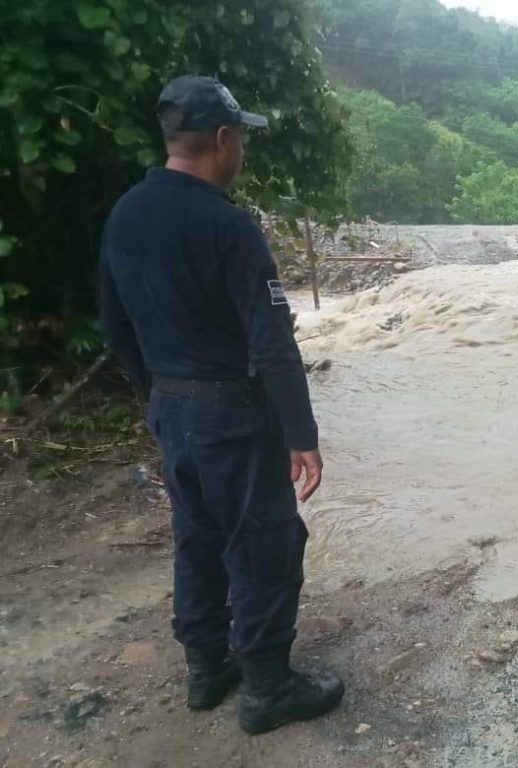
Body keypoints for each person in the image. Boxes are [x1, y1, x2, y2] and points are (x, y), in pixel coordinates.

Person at [99, 75, 344, 735]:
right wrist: (302, 434)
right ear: (224, 139)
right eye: (242, 142)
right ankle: (268, 688)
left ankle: (207, 669)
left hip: (172, 410)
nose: (242, 154)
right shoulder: (229, 226)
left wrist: (158, 397)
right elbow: (272, 342)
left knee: (198, 536)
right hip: (232, 417)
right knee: (264, 541)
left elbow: (114, 325)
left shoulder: (126, 214)